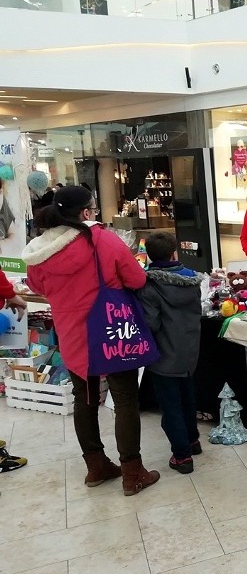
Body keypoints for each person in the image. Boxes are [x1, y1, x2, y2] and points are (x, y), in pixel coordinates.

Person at [22, 186, 159, 496]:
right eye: (94, 209)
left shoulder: (40, 250)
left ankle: (96, 466)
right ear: (85, 212)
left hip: (71, 333)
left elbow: (35, 284)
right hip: (109, 332)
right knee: (125, 399)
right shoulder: (102, 240)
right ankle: (132, 471)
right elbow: (136, 279)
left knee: (84, 398)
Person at [136, 232, 204, 475]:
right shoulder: (192, 280)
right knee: (187, 396)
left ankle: (182, 456)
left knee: (171, 406)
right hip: (189, 349)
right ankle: (193, 440)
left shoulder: (150, 285)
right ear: (174, 252)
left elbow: (151, 323)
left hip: (164, 353)